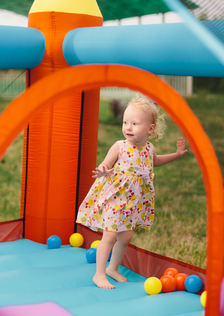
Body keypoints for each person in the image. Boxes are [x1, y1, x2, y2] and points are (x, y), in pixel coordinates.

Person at [76, 95, 188, 289]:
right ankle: (99, 274)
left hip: (132, 202)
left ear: (150, 129)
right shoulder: (119, 147)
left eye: (134, 123)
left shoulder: (149, 149)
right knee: (109, 236)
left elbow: (156, 162)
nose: (128, 127)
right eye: (125, 122)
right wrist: (103, 169)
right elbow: (105, 163)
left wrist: (177, 155)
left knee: (126, 237)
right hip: (115, 197)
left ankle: (113, 268)